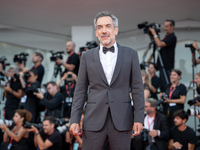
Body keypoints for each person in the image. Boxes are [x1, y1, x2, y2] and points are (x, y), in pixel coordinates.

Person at [70, 11, 144, 150]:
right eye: (100, 27)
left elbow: (137, 89)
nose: (104, 30)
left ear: (115, 30)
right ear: (96, 32)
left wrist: (139, 118)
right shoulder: (86, 56)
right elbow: (80, 90)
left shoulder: (131, 54)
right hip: (93, 119)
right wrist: (75, 119)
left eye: (108, 26)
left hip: (122, 120)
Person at [149, 19, 177, 92]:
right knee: (162, 84)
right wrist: (152, 35)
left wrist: (155, 34)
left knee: (166, 83)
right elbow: (158, 43)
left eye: (167, 26)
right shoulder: (167, 36)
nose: (165, 28)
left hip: (167, 65)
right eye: (165, 26)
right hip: (162, 64)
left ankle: (167, 96)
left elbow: (160, 44)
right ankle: (163, 95)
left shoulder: (172, 37)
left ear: (172, 27)